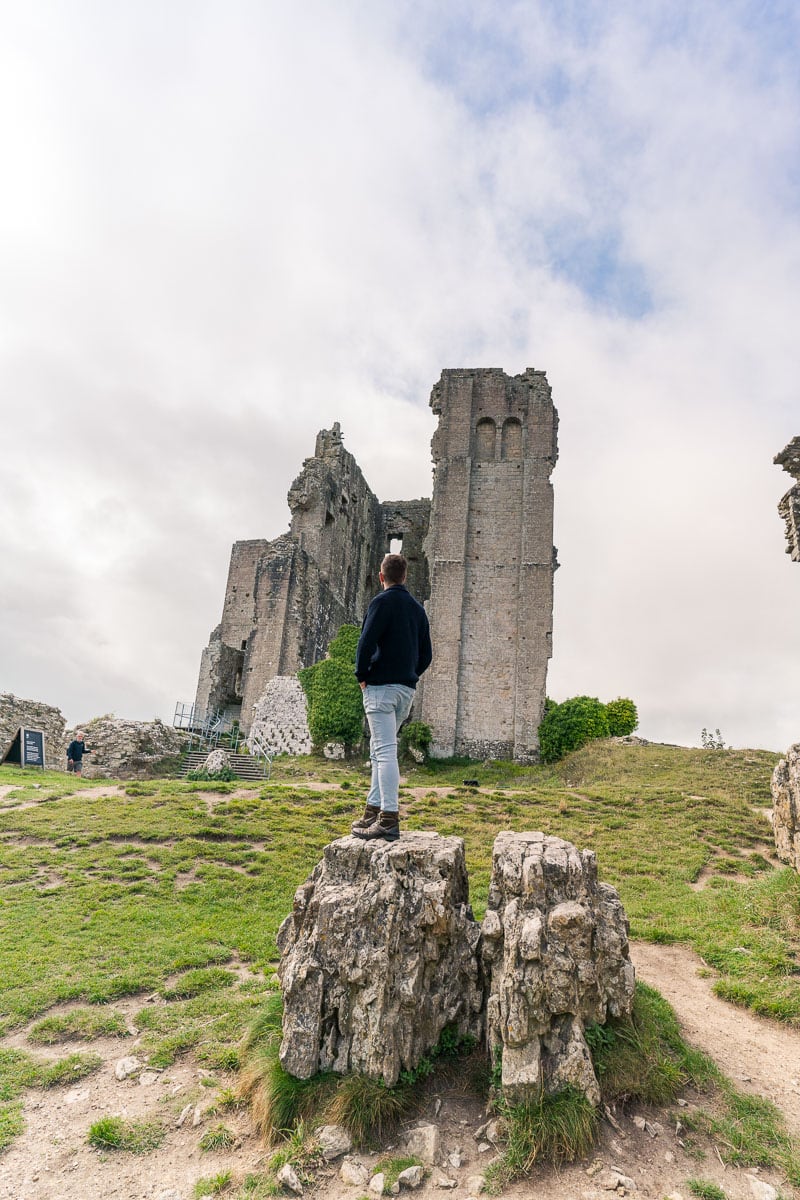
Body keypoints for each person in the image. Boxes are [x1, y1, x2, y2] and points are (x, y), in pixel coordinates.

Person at [351, 552, 432, 842]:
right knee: (379, 750)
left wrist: (362, 676)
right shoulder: (417, 610)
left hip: (381, 689)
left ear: (382, 577)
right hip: (405, 691)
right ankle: (373, 811)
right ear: (405, 576)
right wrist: (410, 675)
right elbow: (427, 655)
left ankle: (388, 819)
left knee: (384, 752)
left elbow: (365, 642)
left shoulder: (381, 601)